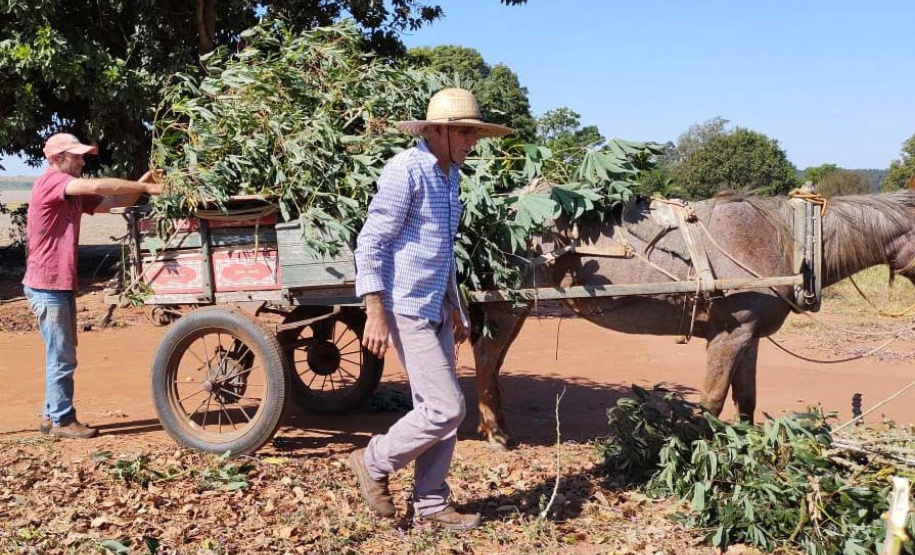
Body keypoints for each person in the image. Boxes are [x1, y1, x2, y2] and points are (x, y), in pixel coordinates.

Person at [349, 88, 512, 530]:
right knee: (446, 408)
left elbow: (441, 251)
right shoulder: (407, 170)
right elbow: (372, 242)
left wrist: (456, 307)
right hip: (405, 305)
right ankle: (374, 460)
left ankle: (432, 506)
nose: (471, 141)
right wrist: (374, 309)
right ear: (436, 131)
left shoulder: (450, 175)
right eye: (463, 132)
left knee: (438, 409)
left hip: (436, 305)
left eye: (474, 134)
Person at [23, 133, 164, 439]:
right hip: (47, 284)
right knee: (62, 354)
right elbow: (99, 185)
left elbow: (113, 201)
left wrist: (142, 183)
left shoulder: (72, 192)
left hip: (57, 283)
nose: (83, 160)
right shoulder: (52, 182)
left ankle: (52, 416)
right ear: (59, 159)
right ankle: (62, 420)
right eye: (77, 156)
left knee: (60, 351)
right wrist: (145, 187)